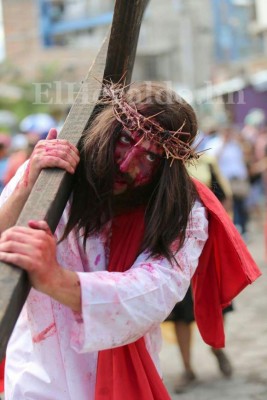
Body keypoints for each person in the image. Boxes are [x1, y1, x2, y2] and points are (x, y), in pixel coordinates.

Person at [0, 82, 260, 400]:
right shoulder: (52, 171)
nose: (127, 164)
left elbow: (154, 291)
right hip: (33, 378)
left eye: (150, 157)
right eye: (125, 139)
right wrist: (30, 187)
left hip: (123, 379)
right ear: (107, 129)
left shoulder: (183, 211)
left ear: (168, 166)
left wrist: (56, 280)